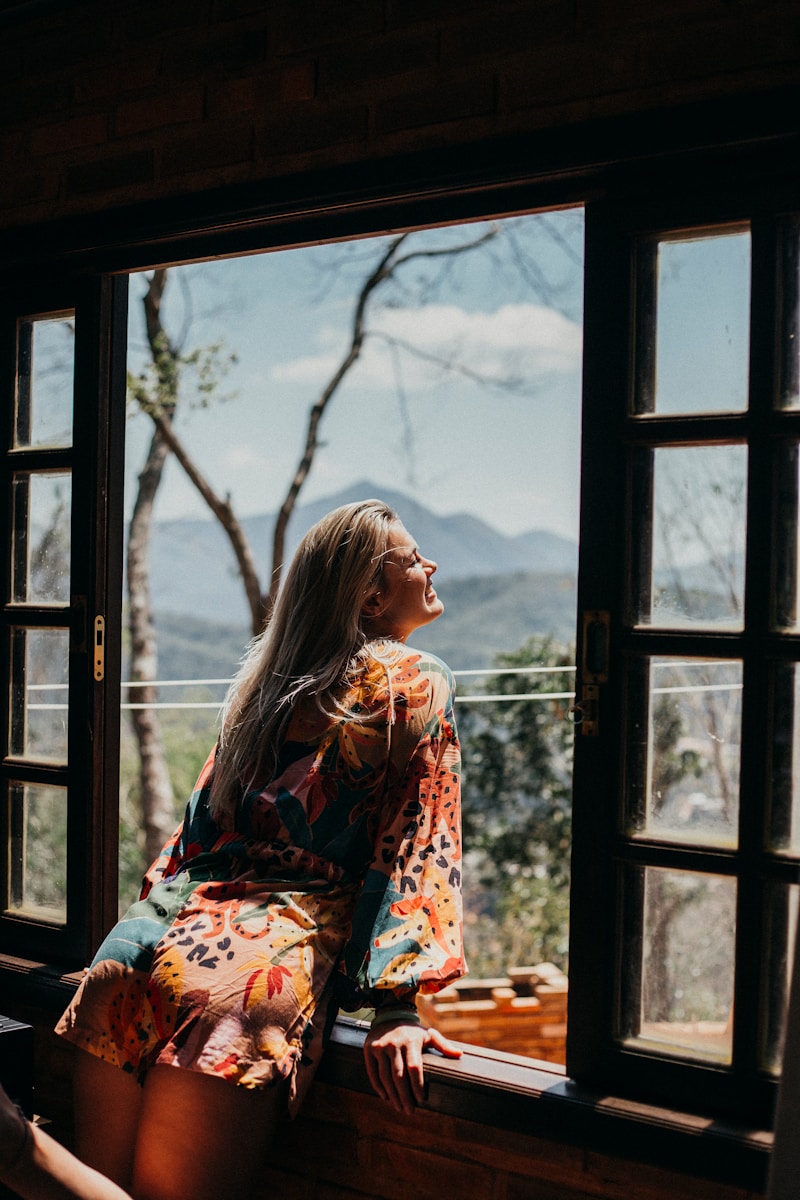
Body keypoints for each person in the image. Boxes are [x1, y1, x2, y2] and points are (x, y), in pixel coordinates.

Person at [1, 499, 465, 1200]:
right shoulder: (414, 680)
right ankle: (14, 1151)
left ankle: (17, 1154)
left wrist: (145, 927)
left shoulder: (261, 688)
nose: (430, 565)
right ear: (371, 593)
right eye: (411, 558)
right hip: (252, 966)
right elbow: (417, 841)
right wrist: (396, 1003)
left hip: (139, 951)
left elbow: (196, 833)